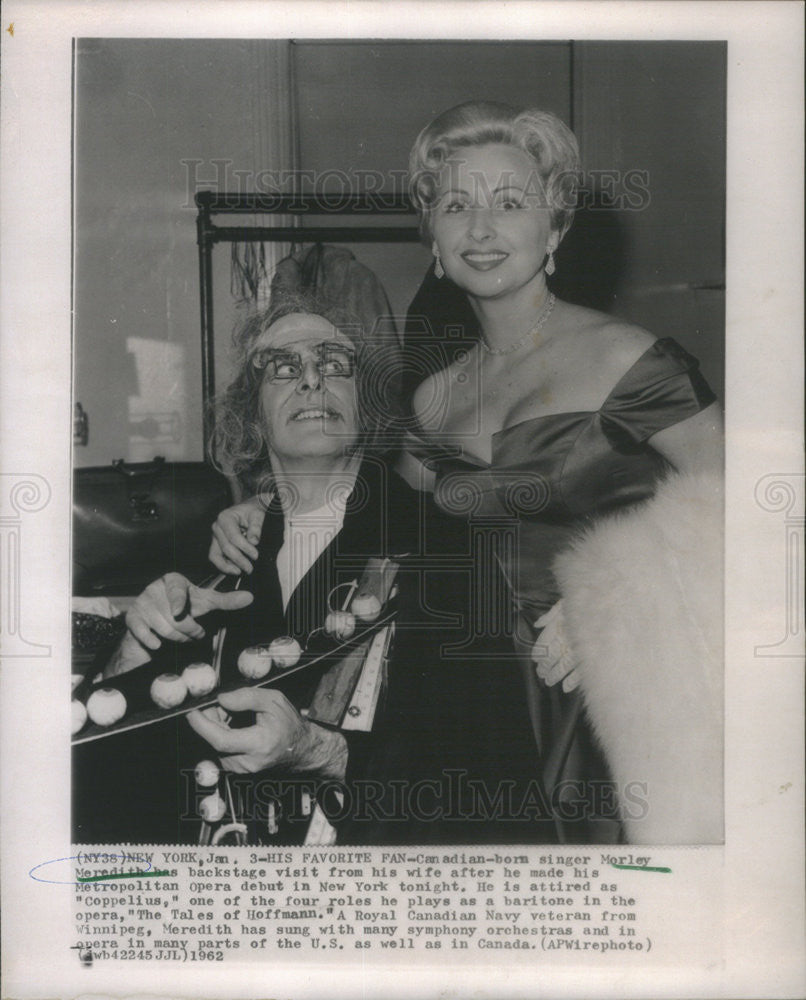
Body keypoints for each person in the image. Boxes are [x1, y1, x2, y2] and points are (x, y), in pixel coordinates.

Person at [211, 102, 724, 844]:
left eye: (510, 204)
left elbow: (762, 509)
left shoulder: (628, 359)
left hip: (613, 695)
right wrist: (264, 511)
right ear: (435, 240)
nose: (481, 229)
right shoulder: (430, 396)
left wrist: (619, 602)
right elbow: (375, 513)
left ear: (555, 229)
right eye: (457, 205)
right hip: (473, 711)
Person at [75, 292, 549, 845]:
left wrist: (321, 752)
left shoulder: (442, 547)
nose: (310, 381)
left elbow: (494, 781)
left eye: (333, 365)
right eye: (282, 368)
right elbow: (103, 788)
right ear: (252, 416)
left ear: (366, 403)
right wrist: (132, 651)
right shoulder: (211, 565)